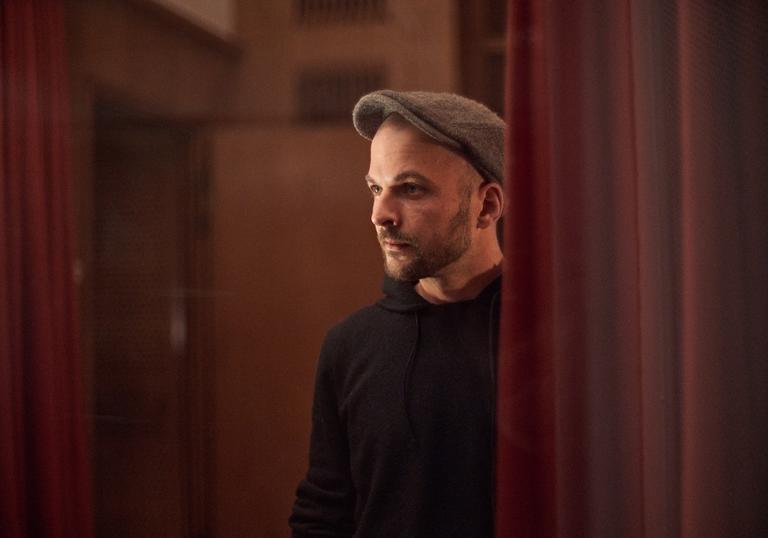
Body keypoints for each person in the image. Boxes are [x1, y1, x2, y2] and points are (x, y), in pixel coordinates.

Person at [289, 90, 505, 537]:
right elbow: (324, 511)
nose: (379, 214)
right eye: (375, 188)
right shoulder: (349, 346)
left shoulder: (551, 339)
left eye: (410, 189)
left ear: (485, 206)